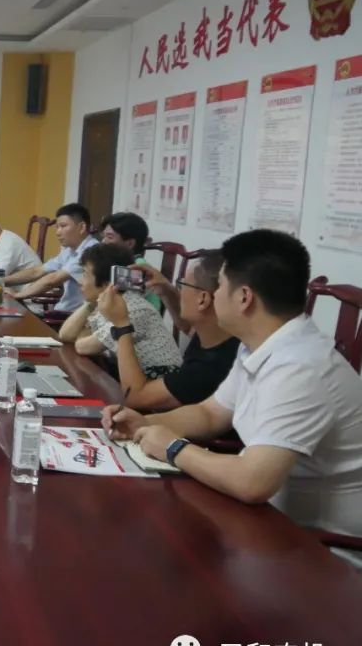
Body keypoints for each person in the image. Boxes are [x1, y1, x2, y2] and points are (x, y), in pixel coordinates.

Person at [104, 230, 362, 564]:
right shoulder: (259, 346)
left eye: (220, 286)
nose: (214, 296)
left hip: (322, 555)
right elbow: (211, 414)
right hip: (268, 527)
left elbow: (253, 481)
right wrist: (144, 422)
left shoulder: (301, 367)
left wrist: (173, 447)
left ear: (244, 298)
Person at [95, 250, 239, 410]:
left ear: (203, 299)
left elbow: (135, 396)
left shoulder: (209, 369)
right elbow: (187, 327)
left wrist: (122, 325)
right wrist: (166, 289)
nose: (180, 290)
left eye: (182, 284)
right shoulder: (223, 335)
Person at [58, 243, 182, 377]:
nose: (80, 281)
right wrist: (90, 304)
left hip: (160, 380)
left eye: (85, 274)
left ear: (107, 283)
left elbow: (83, 347)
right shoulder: (109, 301)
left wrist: (83, 331)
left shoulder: (134, 308)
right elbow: (65, 335)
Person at [2, 203, 98, 314]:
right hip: (62, 311)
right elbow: (37, 271)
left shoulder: (91, 251)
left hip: (74, 316)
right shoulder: (69, 250)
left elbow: (53, 280)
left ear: (82, 227)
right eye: (57, 227)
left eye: (63, 226)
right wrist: (0, 281)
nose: (58, 232)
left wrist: (18, 295)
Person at [99, 211, 162, 312]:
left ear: (130, 244)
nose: (103, 242)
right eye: (104, 236)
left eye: (109, 237)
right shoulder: (118, 262)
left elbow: (119, 300)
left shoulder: (138, 267)